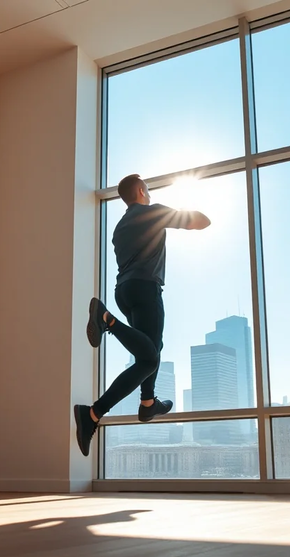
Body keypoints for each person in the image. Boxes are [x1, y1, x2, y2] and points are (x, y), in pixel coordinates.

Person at [74, 173, 211, 457]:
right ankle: (106, 322)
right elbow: (201, 221)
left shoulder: (119, 227)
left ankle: (148, 404)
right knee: (150, 358)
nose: (149, 194)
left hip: (124, 291)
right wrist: (180, 211)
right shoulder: (152, 212)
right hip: (146, 288)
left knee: (150, 351)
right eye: (147, 189)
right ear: (140, 191)